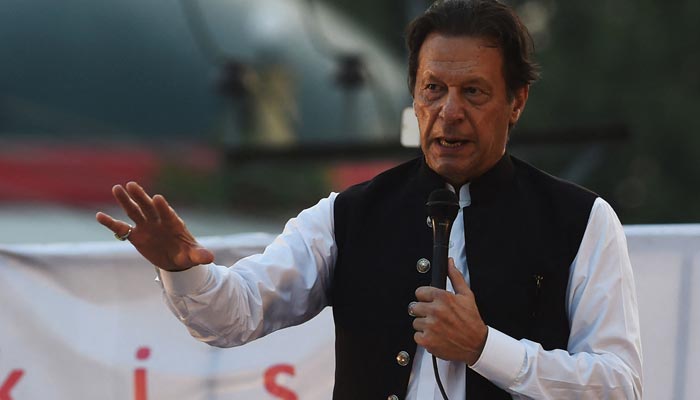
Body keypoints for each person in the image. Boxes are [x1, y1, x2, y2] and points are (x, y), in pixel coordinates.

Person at [96, 0, 643, 398]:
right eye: (434, 89)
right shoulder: (348, 215)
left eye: (473, 91)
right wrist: (182, 270)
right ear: (414, 94)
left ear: (516, 100)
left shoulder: (582, 221)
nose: (449, 112)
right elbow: (237, 314)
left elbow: (619, 386)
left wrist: (486, 349)